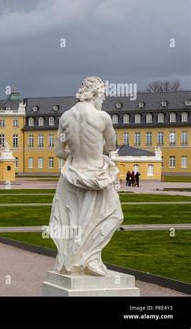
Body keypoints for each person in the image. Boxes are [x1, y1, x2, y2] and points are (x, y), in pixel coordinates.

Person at [50, 77, 123, 276]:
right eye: (103, 96)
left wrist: (76, 155)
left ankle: (72, 260)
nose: (103, 100)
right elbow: (110, 147)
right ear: (96, 93)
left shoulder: (65, 117)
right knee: (112, 215)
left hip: (72, 177)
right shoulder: (103, 118)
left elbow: (59, 151)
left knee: (73, 221)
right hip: (97, 178)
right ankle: (89, 258)